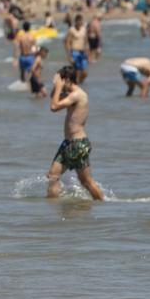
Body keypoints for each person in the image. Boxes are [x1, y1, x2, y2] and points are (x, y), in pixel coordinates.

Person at [47, 65, 103, 201]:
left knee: (86, 181)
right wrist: (56, 85)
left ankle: (103, 203)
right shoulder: (71, 93)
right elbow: (53, 97)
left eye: (60, 80)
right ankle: (52, 207)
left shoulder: (77, 95)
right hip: (68, 143)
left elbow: (53, 107)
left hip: (78, 144)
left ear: (66, 80)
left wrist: (59, 86)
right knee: (52, 176)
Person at [64, 14, 89, 84]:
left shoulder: (84, 29)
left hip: (82, 53)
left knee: (84, 73)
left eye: (81, 21)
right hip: (75, 52)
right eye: (79, 21)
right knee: (77, 72)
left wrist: (88, 53)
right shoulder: (71, 30)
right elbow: (66, 42)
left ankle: (77, 85)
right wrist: (69, 56)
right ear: (76, 21)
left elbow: (86, 42)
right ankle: (76, 87)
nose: (80, 23)